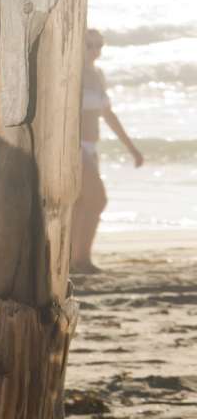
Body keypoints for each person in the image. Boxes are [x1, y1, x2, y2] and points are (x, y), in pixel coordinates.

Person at [70, 28, 145, 274]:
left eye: (99, 45)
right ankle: (80, 260)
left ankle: (77, 260)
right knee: (97, 200)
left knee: (83, 204)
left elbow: (108, 115)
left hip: (92, 147)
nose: (94, 50)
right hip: (74, 147)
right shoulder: (72, 73)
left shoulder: (98, 74)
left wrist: (132, 148)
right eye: (89, 45)